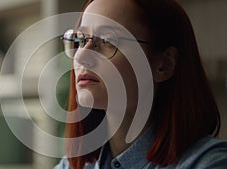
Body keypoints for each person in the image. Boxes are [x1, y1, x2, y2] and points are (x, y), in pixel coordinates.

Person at [55, 0, 227, 168]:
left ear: (164, 65)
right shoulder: (73, 165)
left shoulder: (209, 163)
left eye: (107, 40)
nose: (81, 56)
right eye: (80, 40)